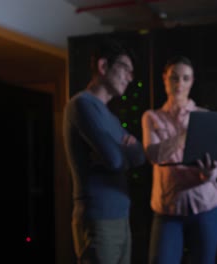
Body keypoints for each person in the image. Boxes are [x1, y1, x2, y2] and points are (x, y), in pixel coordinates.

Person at [62, 37, 146, 264]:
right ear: (102, 66)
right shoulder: (82, 105)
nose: (130, 77)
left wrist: (126, 150)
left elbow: (139, 157)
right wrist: (124, 148)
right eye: (125, 69)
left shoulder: (110, 116)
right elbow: (115, 160)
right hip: (97, 218)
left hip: (121, 217)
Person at [141, 55, 217, 264]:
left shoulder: (204, 115)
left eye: (185, 78)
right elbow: (154, 155)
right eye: (174, 78)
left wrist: (209, 174)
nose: (179, 84)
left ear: (192, 81)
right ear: (165, 79)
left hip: (206, 204)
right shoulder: (152, 117)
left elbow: (214, 165)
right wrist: (183, 136)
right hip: (168, 207)